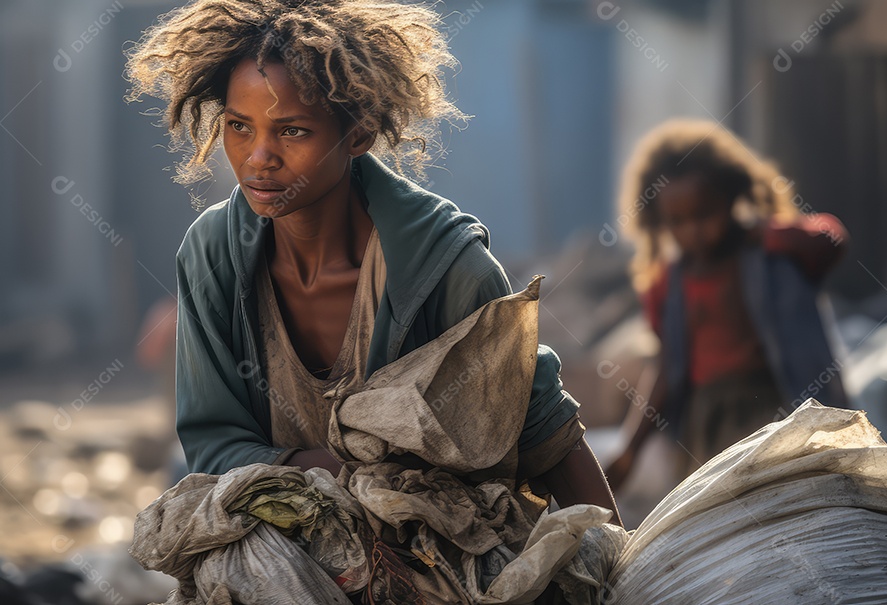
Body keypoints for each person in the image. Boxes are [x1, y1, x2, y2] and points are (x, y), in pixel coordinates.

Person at [125, 0, 619, 524]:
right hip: (277, 532)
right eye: (239, 126)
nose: (258, 157)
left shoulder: (446, 269)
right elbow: (213, 445)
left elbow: (545, 431)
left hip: (438, 545)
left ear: (357, 133)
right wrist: (368, 475)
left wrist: (620, 569)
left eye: (292, 130)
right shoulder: (211, 258)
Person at [606, 119, 849, 490]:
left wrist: (766, 232)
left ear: (732, 199)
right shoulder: (668, 286)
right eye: (678, 221)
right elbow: (666, 366)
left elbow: (831, 240)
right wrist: (630, 449)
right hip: (706, 421)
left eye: (704, 215)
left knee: (780, 503)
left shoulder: (765, 256)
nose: (693, 231)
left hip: (774, 407)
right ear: (659, 222)